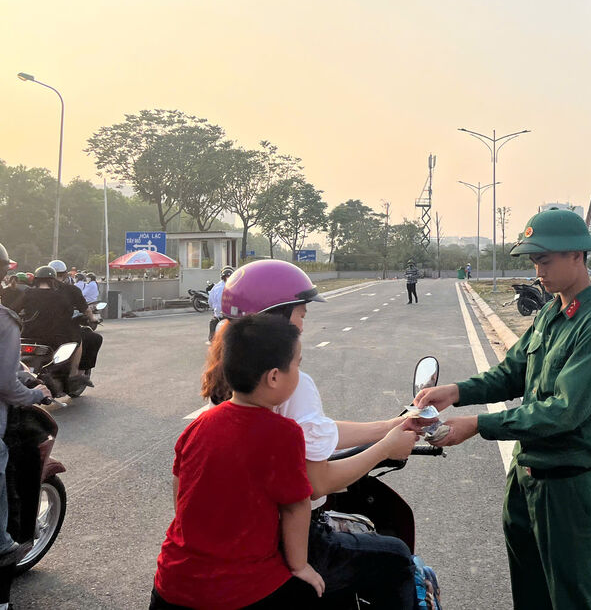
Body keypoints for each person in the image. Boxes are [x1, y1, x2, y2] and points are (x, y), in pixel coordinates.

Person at [413, 208, 591, 610]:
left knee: (577, 600)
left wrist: (479, 424)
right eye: (534, 262)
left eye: (545, 261)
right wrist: (454, 392)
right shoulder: (552, 312)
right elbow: (511, 373)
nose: (538, 271)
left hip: (569, 488)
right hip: (527, 480)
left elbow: (562, 412)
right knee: (531, 597)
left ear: (577, 256)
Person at [205, 260, 421, 608]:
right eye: (301, 313)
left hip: (241, 532)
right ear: (277, 317)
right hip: (286, 540)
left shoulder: (226, 378)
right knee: (395, 557)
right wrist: (385, 449)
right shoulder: (293, 384)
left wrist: (388, 427)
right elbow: (315, 484)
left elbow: (315, 432)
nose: (304, 322)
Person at [151, 313, 323, 609]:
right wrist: (300, 566)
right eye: (297, 364)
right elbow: (296, 507)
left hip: (172, 582)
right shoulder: (283, 433)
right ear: (273, 377)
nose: (298, 371)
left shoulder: (198, 425)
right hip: (240, 591)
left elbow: (181, 492)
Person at [0, 243, 52, 610]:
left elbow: (11, 366)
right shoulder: (5, 319)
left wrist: (24, 375)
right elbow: (6, 382)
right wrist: (34, 394)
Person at [10, 266, 85, 387]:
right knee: (77, 341)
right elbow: (68, 314)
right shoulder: (60, 296)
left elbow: (13, 310)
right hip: (54, 336)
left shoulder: (28, 293)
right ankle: (73, 375)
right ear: (53, 280)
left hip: (27, 335)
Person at [206, 265, 233, 343]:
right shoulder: (235, 287)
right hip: (230, 317)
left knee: (212, 324)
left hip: (219, 316)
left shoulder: (215, 287)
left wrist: (214, 310)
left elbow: (210, 302)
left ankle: (211, 340)